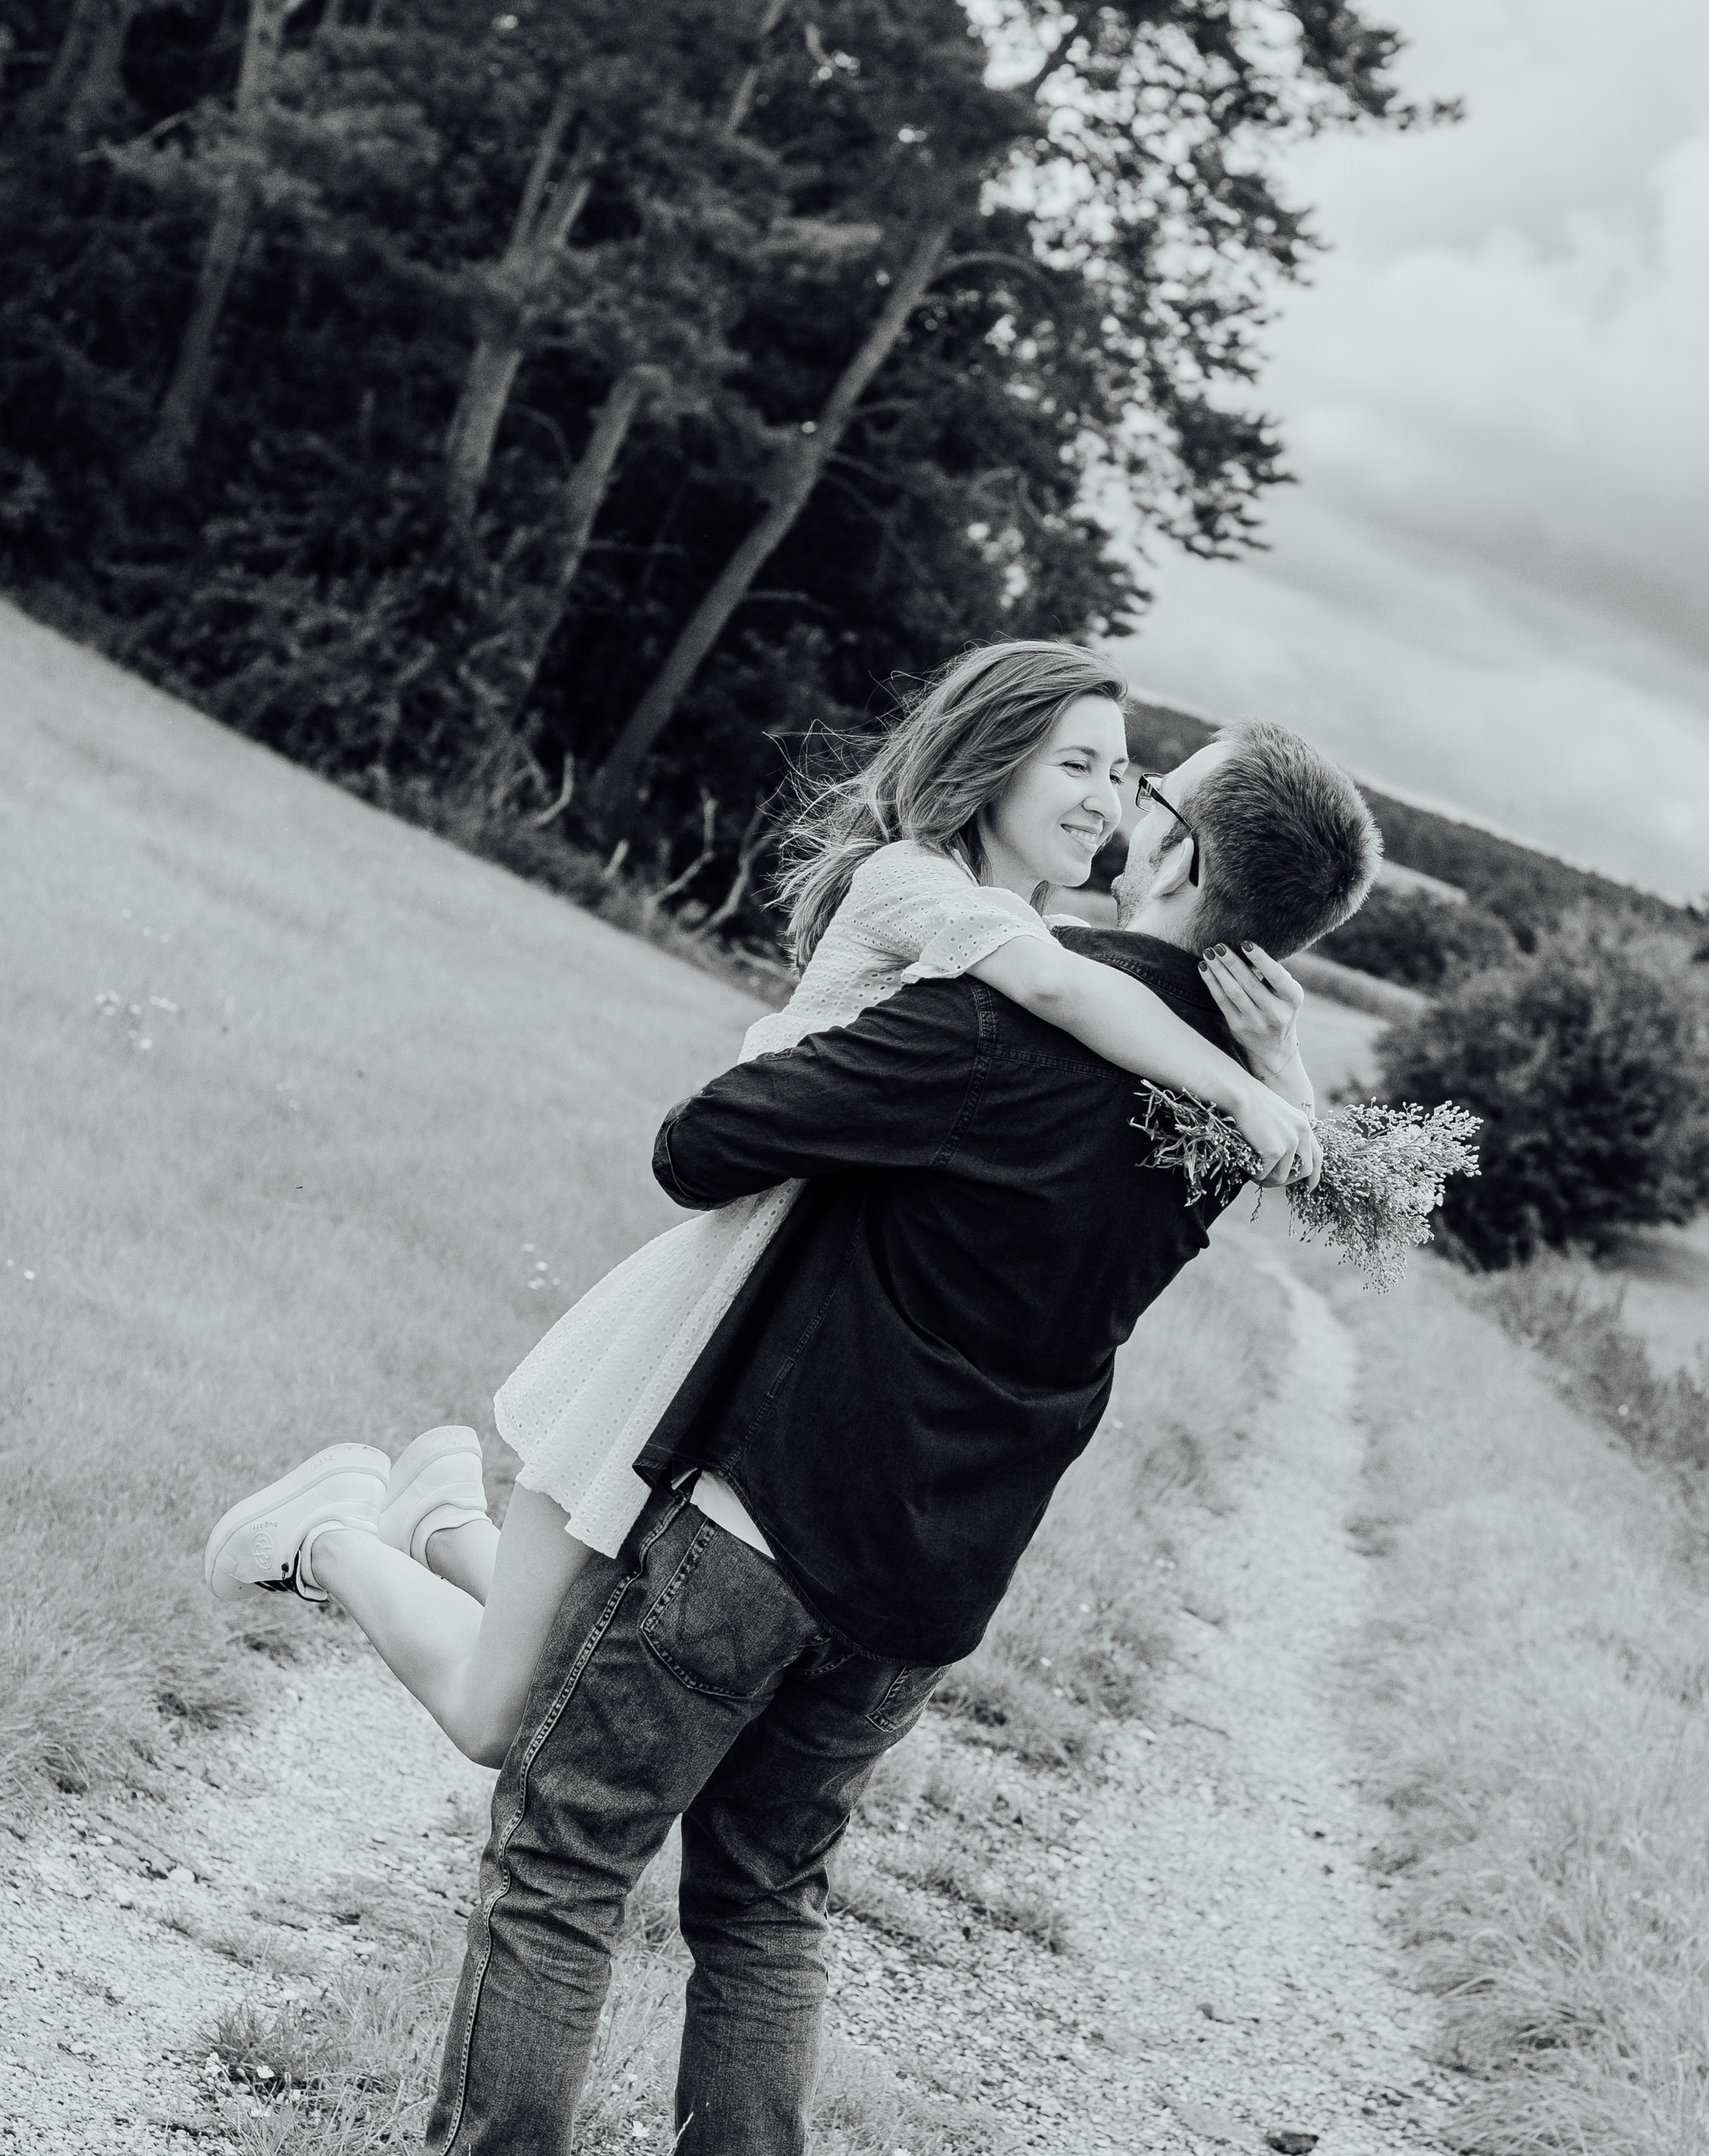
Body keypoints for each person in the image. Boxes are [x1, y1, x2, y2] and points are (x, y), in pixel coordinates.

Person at [236, 694, 1381, 2156]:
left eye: (1150, 788)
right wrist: (1281, 1073)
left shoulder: (996, 1028)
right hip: (932, 1588)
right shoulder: (1223, 1120)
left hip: (764, 1526)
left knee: (559, 1860)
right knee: (764, 1906)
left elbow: (704, 1146)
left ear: (1173, 851)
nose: (1119, 797)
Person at [204, 644, 1321, 1778]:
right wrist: (1246, 1086)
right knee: (505, 1718)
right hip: (710, 1297)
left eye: (1125, 774)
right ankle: (331, 1534)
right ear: (995, 761)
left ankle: (441, 1520)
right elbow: (1058, 989)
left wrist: (1280, 1065)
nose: (1108, 800)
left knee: (577, 1654)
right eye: (1078, 764)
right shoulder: (926, 887)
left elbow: (1112, 1014)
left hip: (776, 1324)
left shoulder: (1025, 918)